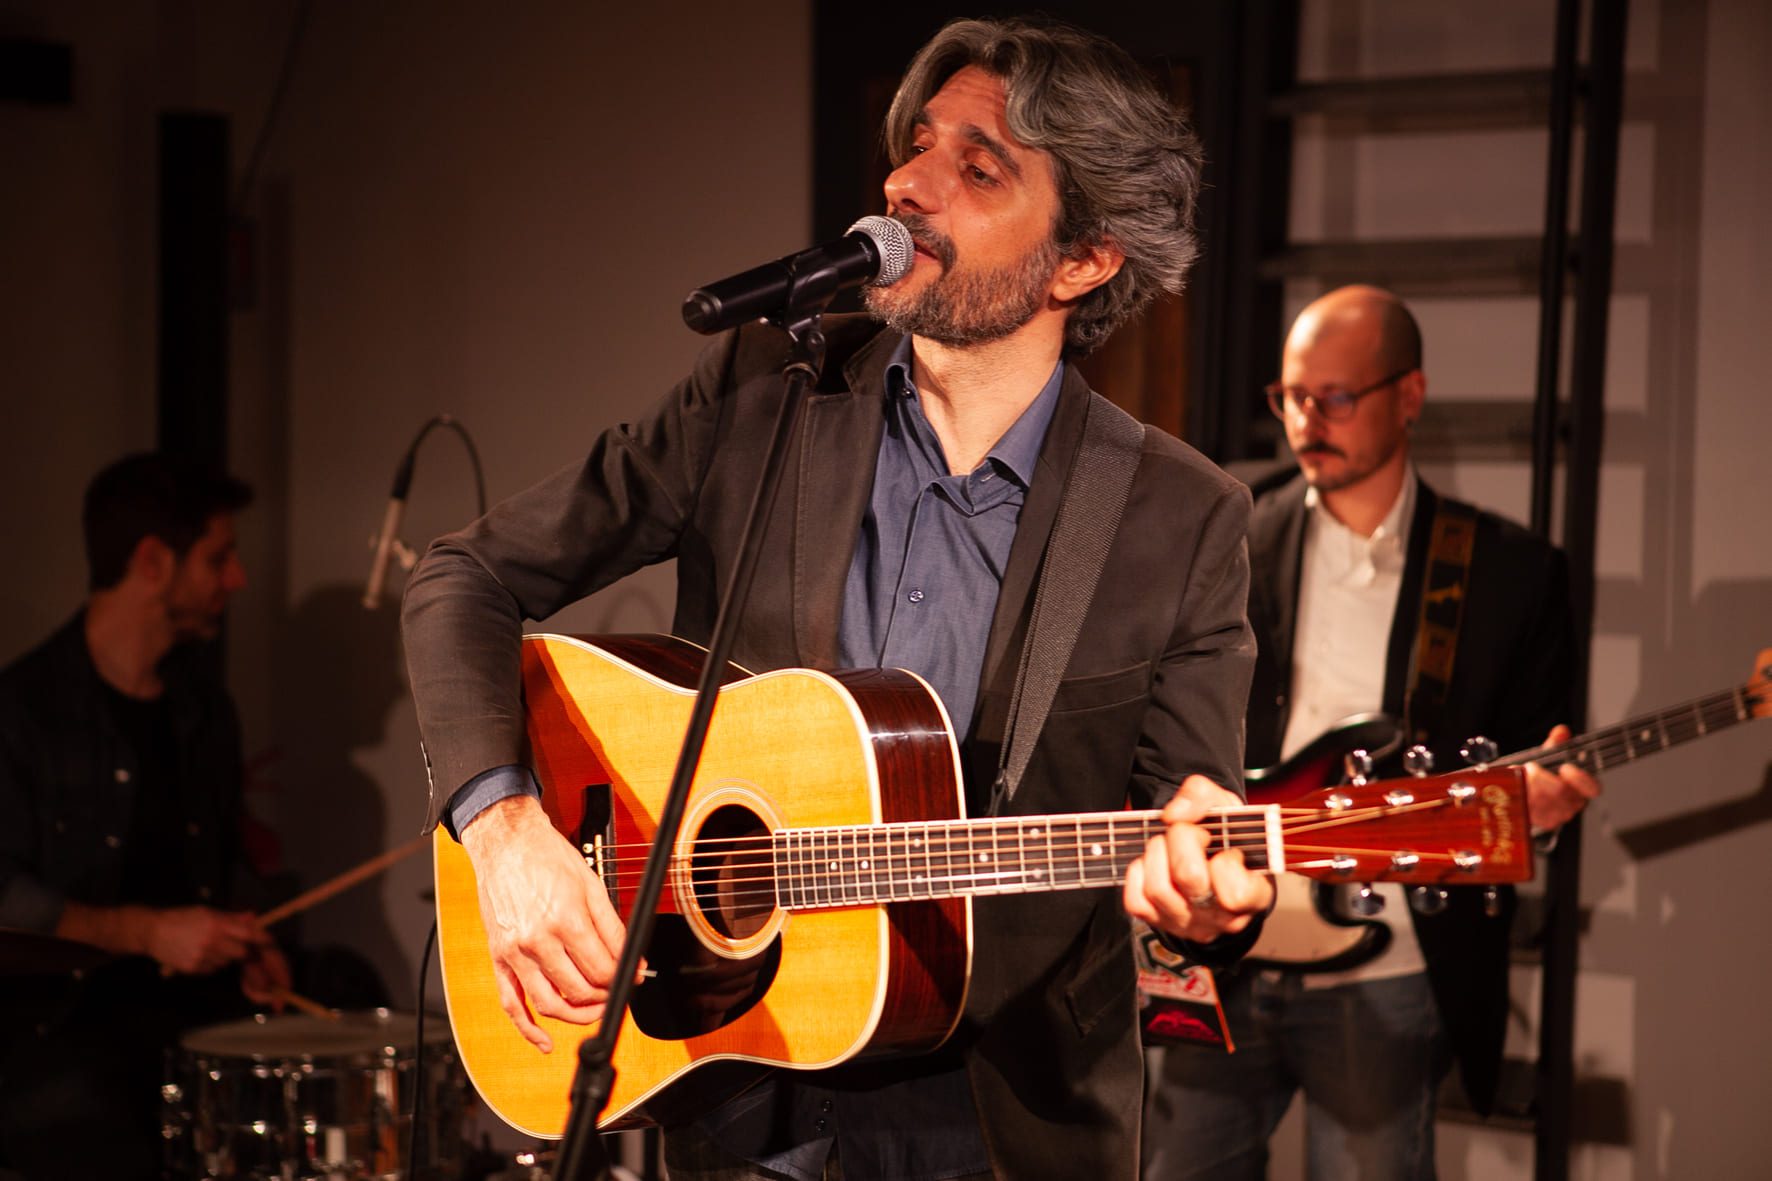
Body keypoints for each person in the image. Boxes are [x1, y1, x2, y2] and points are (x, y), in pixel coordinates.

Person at [401, 16, 1273, 1181]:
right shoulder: (762, 390)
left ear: (1083, 260)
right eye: (917, 145)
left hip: (1002, 1120)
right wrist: (506, 831)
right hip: (732, 1079)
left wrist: (1204, 900)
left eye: (978, 169)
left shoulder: (1182, 515)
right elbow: (463, 575)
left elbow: (1194, 820)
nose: (907, 185)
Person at [1142, 284, 1602, 1180]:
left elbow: (1531, 761)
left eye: (1337, 397)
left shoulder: (1507, 572)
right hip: (1226, 937)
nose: (1307, 420)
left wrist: (1537, 811)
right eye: (1291, 397)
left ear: (1410, 395)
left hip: (1386, 965)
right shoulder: (1231, 526)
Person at [0, 451, 290, 1181]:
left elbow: (222, 861)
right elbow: (4, 898)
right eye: (219, 558)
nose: (236, 578)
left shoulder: (206, 709)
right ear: (153, 561)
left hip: (193, 1015)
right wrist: (149, 932)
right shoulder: (21, 711)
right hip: (62, 1029)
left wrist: (247, 940)